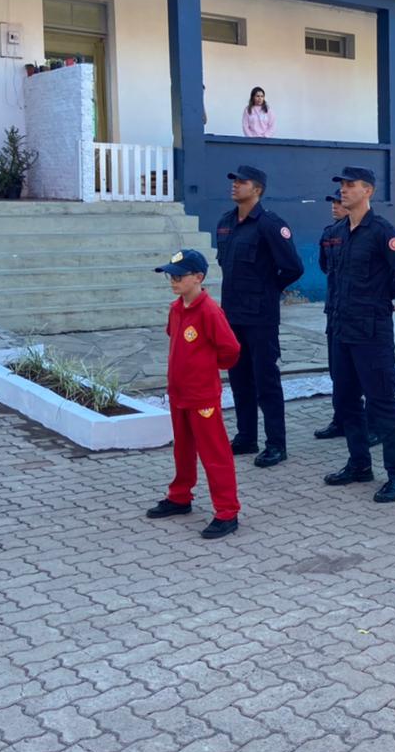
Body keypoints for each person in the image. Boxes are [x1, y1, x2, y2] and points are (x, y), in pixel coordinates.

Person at [322, 166, 395, 502]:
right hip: (341, 328)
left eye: (350, 186)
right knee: (345, 400)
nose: (344, 191)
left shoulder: (382, 231)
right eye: (342, 186)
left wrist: (379, 296)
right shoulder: (337, 231)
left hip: (371, 331)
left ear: (367, 191)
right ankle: (359, 464)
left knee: (382, 403)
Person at [146, 248, 243, 539]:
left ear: (198, 277)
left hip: (202, 396)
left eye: (178, 276)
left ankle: (227, 511)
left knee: (214, 453)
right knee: (183, 449)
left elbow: (231, 349)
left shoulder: (210, 311)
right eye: (170, 276)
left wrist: (205, 369)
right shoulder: (176, 308)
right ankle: (180, 496)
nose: (173, 281)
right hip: (179, 393)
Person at [215, 165, 304, 468]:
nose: (235, 185)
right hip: (233, 316)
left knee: (266, 380)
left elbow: (293, 266)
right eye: (234, 180)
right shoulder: (226, 223)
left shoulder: (269, 224)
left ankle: (276, 444)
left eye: (242, 182)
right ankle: (246, 436)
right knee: (239, 379)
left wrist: (269, 290)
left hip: (261, 317)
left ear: (258, 189)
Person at [314, 190, 348, 440]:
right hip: (334, 311)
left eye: (338, 201)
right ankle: (340, 419)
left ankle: (369, 422)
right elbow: (325, 266)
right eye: (332, 202)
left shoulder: (369, 233)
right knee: (338, 371)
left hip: (358, 314)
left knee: (362, 375)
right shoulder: (328, 234)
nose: (334, 206)